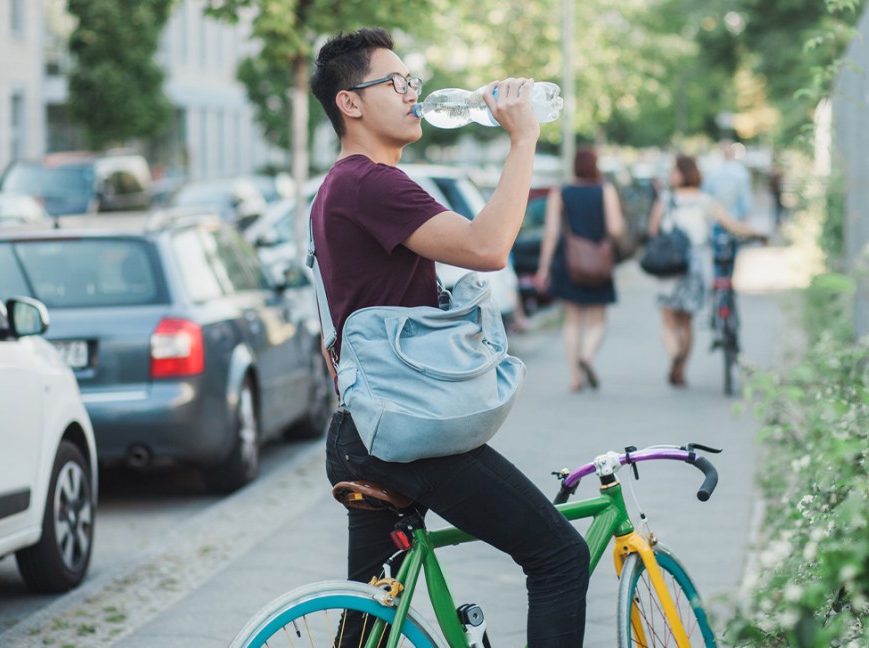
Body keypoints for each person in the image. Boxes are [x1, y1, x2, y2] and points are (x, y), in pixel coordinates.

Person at [308, 29, 589, 646]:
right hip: (410, 432)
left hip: (366, 431)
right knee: (560, 558)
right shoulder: (369, 183)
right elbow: (487, 247)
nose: (414, 93)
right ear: (350, 103)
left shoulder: (343, 185)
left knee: (368, 627)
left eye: (413, 80)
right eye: (396, 82)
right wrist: (523, 138)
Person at [647, 154, 764, 387]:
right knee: (686, 321)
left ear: (682, 174)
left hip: (670, 265)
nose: (670, 175)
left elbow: (652, 230)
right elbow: (733, 225)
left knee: (668, 320)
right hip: (696, 264)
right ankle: (681, 367)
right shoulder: (705, 201)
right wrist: (756, 234)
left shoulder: (666, 199)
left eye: (674, 171)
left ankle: (673, 355)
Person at [534, 148, 625, 393]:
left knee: (572, 321)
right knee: (598, 319)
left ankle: (575, 376)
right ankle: (587, 354)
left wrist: (543, 268)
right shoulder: (605, 190)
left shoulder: (561, 192)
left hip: (569, 262)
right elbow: (616, 228)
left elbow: (551, 233)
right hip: (599, 261)